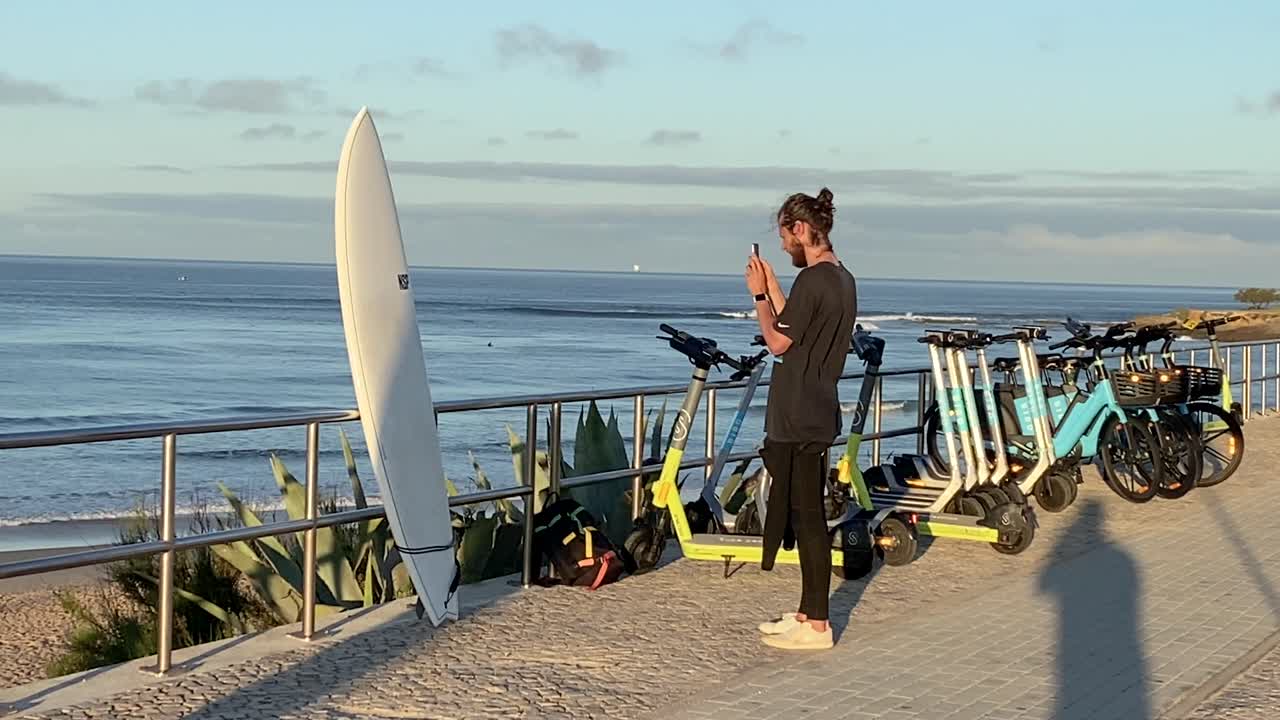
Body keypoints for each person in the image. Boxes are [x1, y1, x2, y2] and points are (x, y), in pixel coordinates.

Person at [743, 187, 857, 650]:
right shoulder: (840, 278)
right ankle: (809, 612)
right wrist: (773, 287)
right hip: (818, 407)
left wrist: (758, 297)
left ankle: (818, 625)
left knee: (808, 519)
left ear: (802, 229)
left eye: (785, 236)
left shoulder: (813, 280)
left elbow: (777, 342)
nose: (784, 245)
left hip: (800, 413)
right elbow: (798, 322)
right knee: (803, 512)